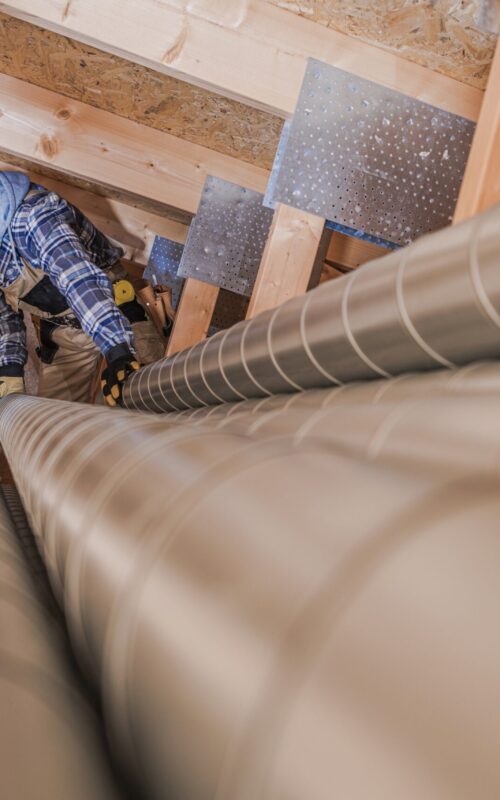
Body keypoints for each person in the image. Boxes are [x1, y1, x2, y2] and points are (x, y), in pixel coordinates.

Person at [0, 170, 141, 406]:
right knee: (52, 428)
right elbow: (4, 312)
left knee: (149, 396)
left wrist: (117, 349)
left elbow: (79, 280)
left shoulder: (34, 217)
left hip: (109, 307)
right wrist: (9, 369)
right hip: (66, 331)